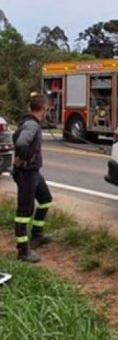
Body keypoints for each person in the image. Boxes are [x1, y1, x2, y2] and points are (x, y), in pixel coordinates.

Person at [11, 93, 54, 263]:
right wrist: (25, 159)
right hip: (26, 173)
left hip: (33, 172)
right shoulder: (31, 125)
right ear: (43, 108)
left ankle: (37, 236)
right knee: (24, 212)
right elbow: (21, 143)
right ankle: (23, 251)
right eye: (47, 109)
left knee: (45, 200)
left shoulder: (30, 122)